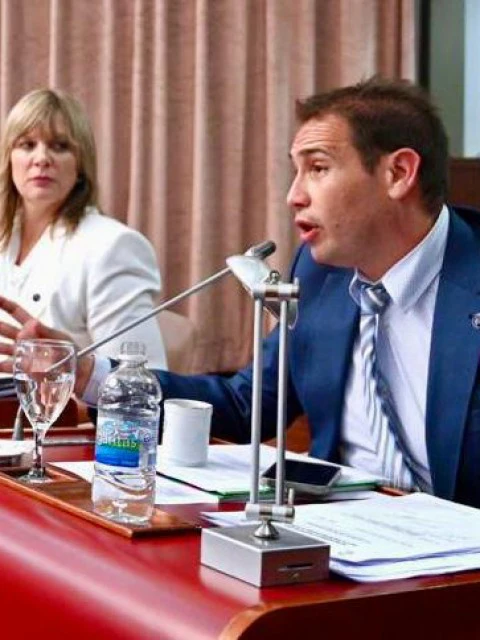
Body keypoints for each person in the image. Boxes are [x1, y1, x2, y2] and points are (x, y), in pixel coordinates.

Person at [1, 77, 479, 508]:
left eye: (317, 168)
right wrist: (89, 372)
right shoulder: (320, 276)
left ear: (398, 174)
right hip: (345, 533)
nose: (294, 196)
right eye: (296, 172)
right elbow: (245, 404)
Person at [0, 88, 167, 367]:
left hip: (60, 397)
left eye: (60, 146)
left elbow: (140, 380)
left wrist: (73, 369)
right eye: (27, 145)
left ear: (80, 165)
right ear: (8, 159)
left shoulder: (113, 247)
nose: (41, 159)